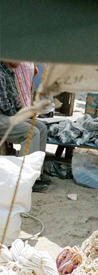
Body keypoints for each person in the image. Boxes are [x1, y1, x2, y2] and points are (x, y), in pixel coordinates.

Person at [0, 61, 50, 192]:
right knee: (31, 132)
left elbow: (14, 103)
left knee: (41, 127)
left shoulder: (9, 72)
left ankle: (36, 174)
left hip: (7, 115)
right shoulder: (0, 73)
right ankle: (24, 180)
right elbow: (5, 106)